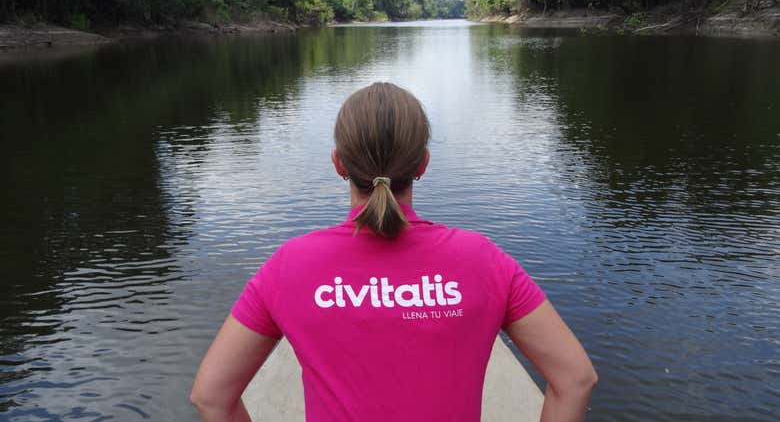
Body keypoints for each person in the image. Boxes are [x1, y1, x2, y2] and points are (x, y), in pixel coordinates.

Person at [190, 82, 597, 422]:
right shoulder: (483, 259)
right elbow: (575, 379)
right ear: (422, 163)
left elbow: (212, 397)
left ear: (337, 163)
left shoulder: (290, 265)